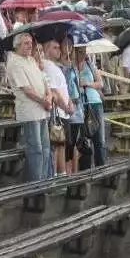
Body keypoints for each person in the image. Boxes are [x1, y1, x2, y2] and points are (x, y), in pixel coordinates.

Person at [6, 33, 51, 182]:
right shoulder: (14, 62)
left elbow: (44, 79)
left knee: (45, 147)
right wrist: (43, 100)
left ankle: (43, 181)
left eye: (31, 43)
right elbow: (27, 89)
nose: (30, 45)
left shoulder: (31, 59)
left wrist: (49, 95)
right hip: (30, 111)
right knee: (36, 149)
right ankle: (35, 185)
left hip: (43, 109)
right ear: (17, 46)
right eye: (26, 43)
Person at [43, 40, 74, 176]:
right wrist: (65, 106)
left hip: (64, 110)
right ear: (46, 49)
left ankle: (61, 174)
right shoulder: (47, 66)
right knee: (56, 145)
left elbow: (64, 89)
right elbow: (54, 90)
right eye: (54, 48)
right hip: (58, 111)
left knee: (62, 145)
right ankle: (55, 175)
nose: (58, 50)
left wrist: (70, 102)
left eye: (58, 47)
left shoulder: (56, 66)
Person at [76, 46, 106, 167]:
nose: (83, 54)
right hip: (81, 104)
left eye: (84, 51)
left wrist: (87, 83)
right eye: (80, 52)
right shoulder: (72, 66)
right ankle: (85, 169)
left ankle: (101, 168)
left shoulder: (90, 65)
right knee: (83, 140)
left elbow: (100, 83)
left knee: (100, 139)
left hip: (94, 102)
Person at [60, 37, 84, 174]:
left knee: (76, 141)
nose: (68, 47)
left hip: (78, 105)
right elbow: (65, 85)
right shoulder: (61, 66)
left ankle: (74, 172)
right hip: (68, 105)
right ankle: (67, 172)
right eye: (65, 44)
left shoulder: (73, 65)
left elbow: (76, 84)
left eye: (70, 45)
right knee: (69, 142)